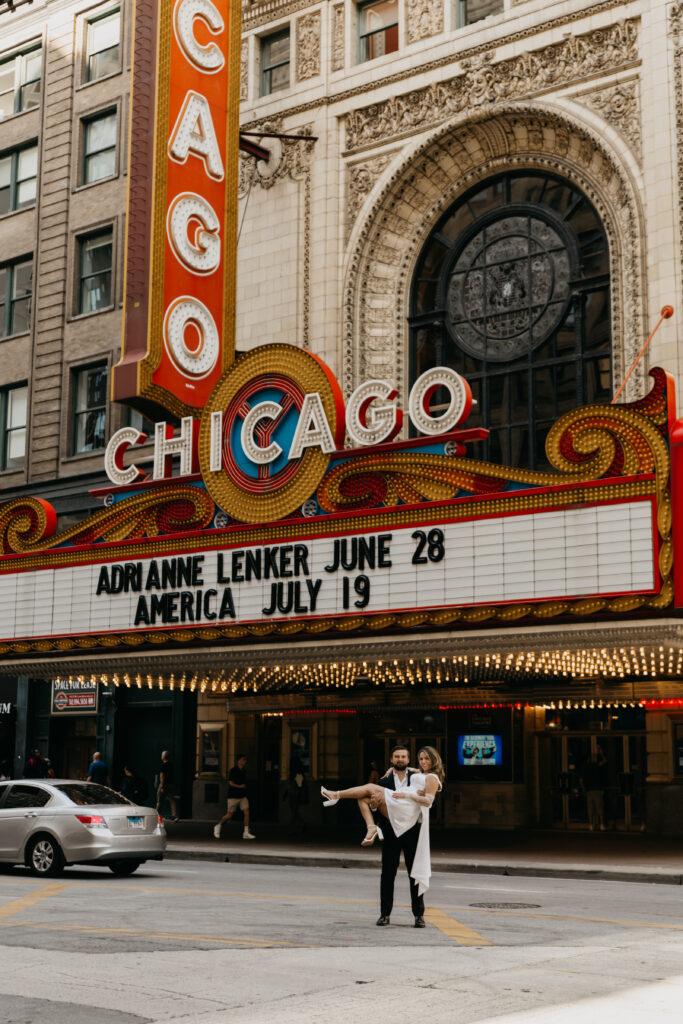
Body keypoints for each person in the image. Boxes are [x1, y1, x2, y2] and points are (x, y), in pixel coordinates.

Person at [321, 745, 444, 928]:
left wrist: (408, 795)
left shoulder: (420, 775)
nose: (400, 759)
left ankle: (419, 915)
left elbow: (428, 795)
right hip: (390, 829)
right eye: (397, 757)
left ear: (408, 760)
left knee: (414, 873)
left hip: (412, 829)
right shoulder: (385, 779)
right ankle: (385, 914)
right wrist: (373, 805)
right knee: (388, 873)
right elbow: (374, 805)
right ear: (392, 760)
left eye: (404, 756)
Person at [213, 755, 255, 839]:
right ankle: (218, 826)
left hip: (242, 796)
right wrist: (240, 787)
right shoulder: (233, 770)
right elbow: (231, 783)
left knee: (247, 812)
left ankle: (246, 832)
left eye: (245, 760)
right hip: (233, 796)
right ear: (238, 761)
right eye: (243, 760)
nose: (244, 762)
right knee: (229, 815)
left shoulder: (244, 771)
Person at [581, 748, 607, 831]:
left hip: (589, 790)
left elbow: (581, 780)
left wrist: (584, 789)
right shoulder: (594, 765)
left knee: (590, 809)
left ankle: (591, 825)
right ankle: (601, 824)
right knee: (599, 808)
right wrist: (601, 753)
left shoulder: (584, 768)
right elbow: (604, 761)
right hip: (596, 789)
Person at [156, 750, 178, 820]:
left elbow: (162, 776)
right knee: (172, 800)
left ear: (163, 757)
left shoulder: (163, 765)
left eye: (161, 755)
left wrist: (162, 786)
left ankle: (156, 815)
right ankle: (175, 816)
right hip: (171, 784)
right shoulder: (171, 765)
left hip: (164, 785)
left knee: (159, 801)